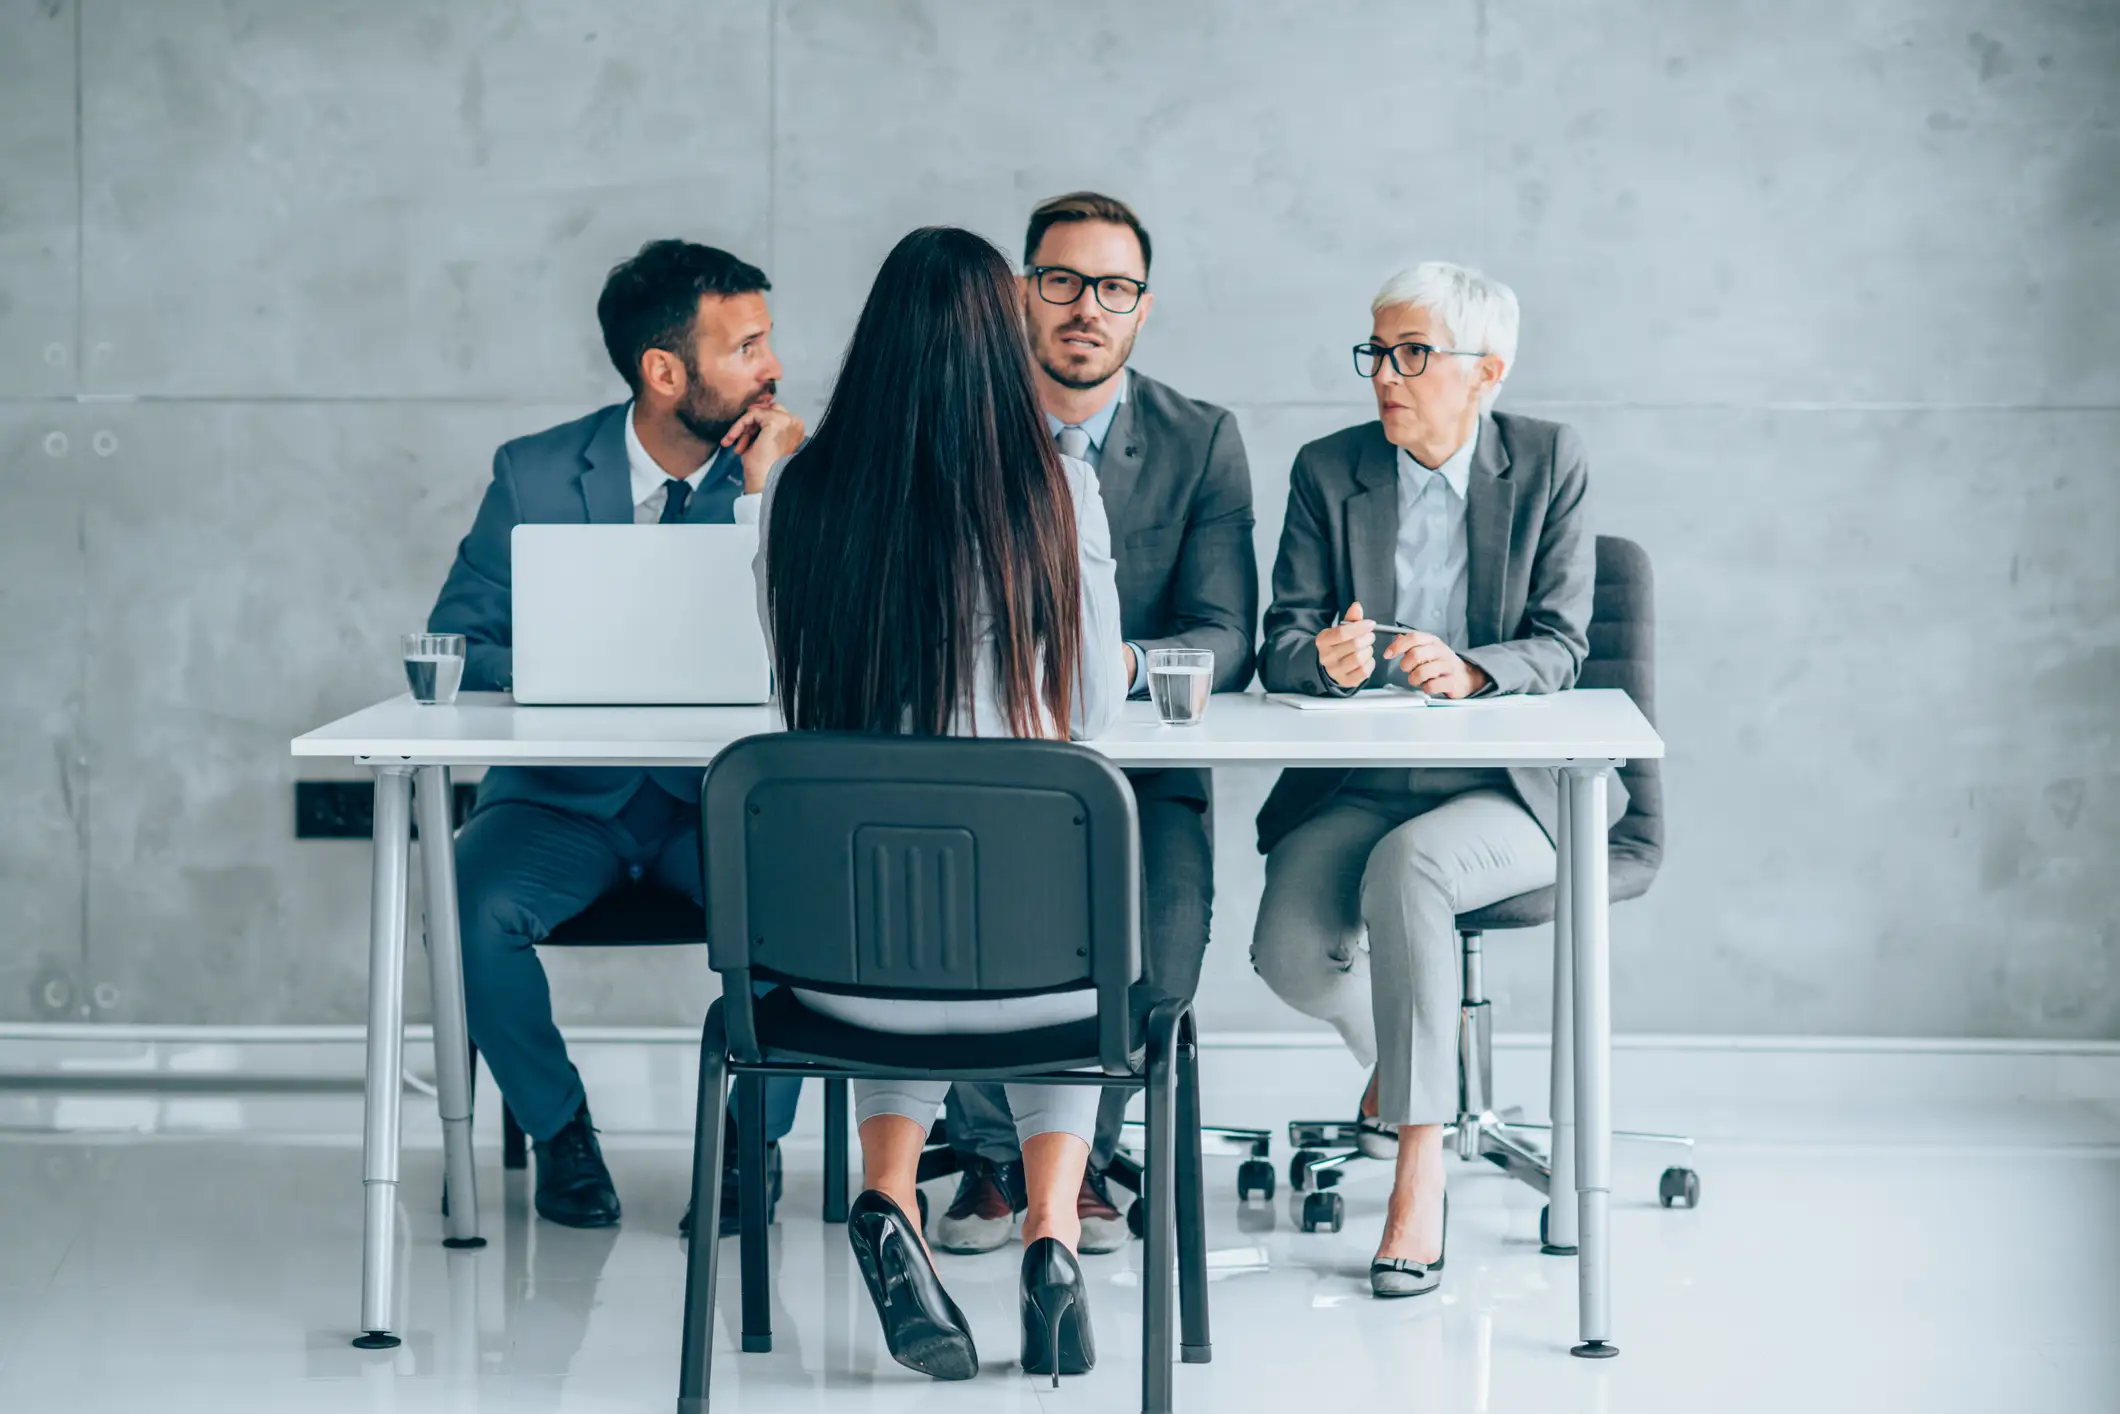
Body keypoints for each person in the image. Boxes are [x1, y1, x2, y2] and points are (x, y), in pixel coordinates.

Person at [743, 226, 1124, 1382]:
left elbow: (787, 689)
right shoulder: (1055, 488)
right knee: (1071, 929)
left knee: (898, 903)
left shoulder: (798, 495)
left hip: (840, 981)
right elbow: (1094, 706)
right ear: (1001, 344)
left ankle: (884, 1193)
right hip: (1033, 989)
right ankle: (1052, 1235)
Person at [1249, 261, 1627, 1298]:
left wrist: (1471, 671)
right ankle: (1415, 1061)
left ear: (1484, 372)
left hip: (1508, 786)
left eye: (1411, 353)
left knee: (1406, 870)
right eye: (1376, 350)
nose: (1384, 374)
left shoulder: (1547, 460)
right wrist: (1315, 660)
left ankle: (1420, 1169)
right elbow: (1276, 636)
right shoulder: (1329, 470)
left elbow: (1558, 641)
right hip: (1362, 772)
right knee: (1285, 951)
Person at [426, 240, 807, 1233]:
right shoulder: (537, 473)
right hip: (561, 801)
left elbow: (832, 648)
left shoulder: (795, 477)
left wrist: (775, 496)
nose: (771, 367)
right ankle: (560, 1129)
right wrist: (557, 665)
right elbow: (458, 643)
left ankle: (745, 1144)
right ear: (664, 371)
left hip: (719, 805)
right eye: (748, 346)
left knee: (807, 915)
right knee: (463, 907)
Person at [934, 192, 1257, 1256]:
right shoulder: (957, 424)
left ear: (1141, 309)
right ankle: (990, 1161)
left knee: (1159, 943)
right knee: (977, 928)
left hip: (1138, 764)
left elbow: (1222, 632)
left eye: (1112, 288)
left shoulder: (1199, 437)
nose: (1086, 307)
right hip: (987, 755)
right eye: (1062, 281)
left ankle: (1080, 1162)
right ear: (1021, 292)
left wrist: (1105, 668)